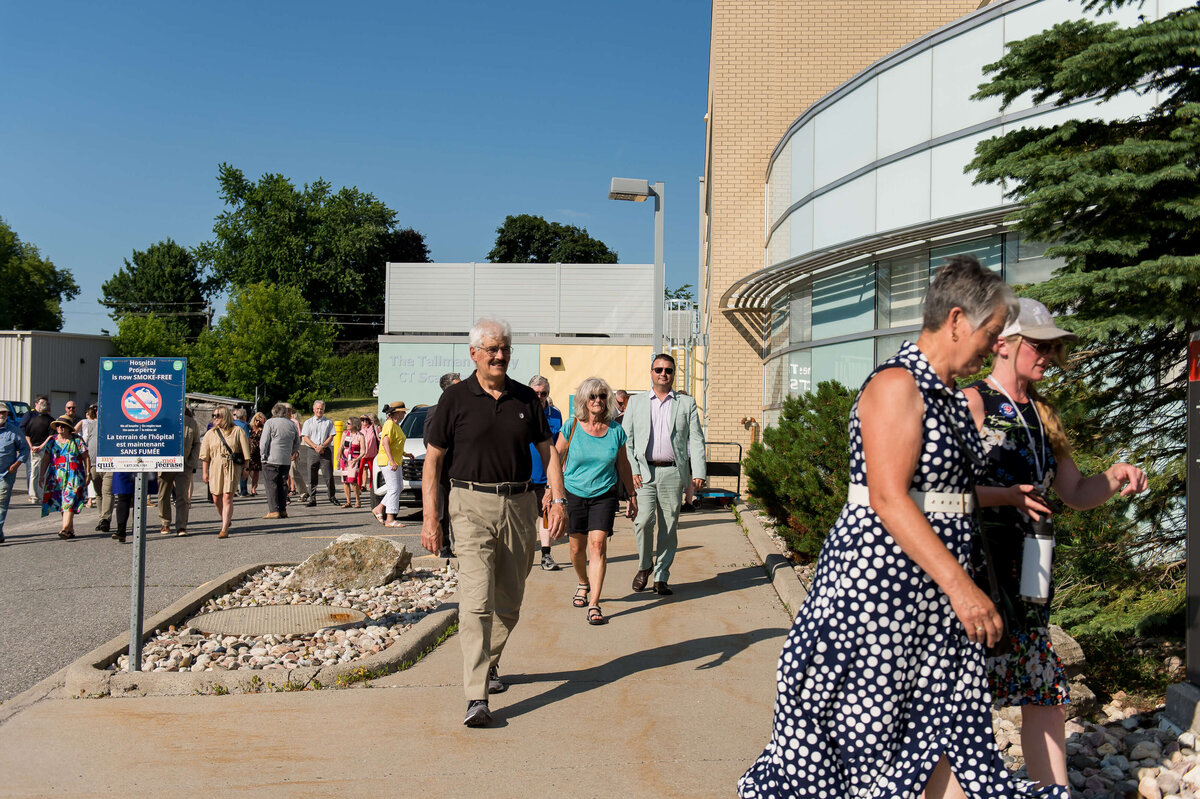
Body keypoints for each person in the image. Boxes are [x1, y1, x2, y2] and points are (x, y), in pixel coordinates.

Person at [739, 256, 1068, 799]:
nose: (992, 346)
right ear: (957, 320)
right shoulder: (897, 385)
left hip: (931, 599)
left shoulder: (950, 399)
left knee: (947, 736)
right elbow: (890, 500)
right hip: (880, 595)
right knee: (869, 742)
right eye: (990, 332)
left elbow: (946, 498)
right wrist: (964, 590)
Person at [962, 298, 1149, 789]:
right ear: (1003, 345)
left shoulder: (1045, 413)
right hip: (976, 581)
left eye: (1053, 346)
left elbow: (1074, 492)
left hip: (1030, 581)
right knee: (964, 704)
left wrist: (1114, 476)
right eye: (1038, 345)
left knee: (1044, 696)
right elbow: (934, 490)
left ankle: (1053, 792)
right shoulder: (973, 401)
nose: (1048, 355)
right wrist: (1006, 496)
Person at [421, 317, 567, 727]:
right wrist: (431, 518)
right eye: (492, 350)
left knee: (510, 599)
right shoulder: (454, 399)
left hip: (520, 505)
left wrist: (557, 500)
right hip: (469, 504)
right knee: (476, 599)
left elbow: (549, 451)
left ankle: (489, 661)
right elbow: (432, 460)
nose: (500, 355)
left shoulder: (525, 398)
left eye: (505, 349)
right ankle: (476, 697)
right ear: (474, 354)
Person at [622, 353, 707, 595]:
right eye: (658, 369)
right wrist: (632, 470)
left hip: (672, 473)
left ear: (673, 374)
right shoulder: (636, 402)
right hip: (644, 472)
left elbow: (696, 439)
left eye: (668, 370)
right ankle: (645, 565)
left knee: (669, 526)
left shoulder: (686, 403)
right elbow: (625, 441)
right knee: (643, 521)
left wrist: (698, 471)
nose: (663, 374)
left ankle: (661, 576)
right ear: (651, 372)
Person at [555, 377, 637, 625]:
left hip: (604, 494)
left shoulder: (615, 431)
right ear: (584, 400)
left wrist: (632, 496)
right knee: (576, 549)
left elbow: (623, 465)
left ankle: (594, 603)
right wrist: (552, 491)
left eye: (602, 396)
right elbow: (555, 458)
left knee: (598, 545)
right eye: (592, 396)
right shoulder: (571, 427)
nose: (597, 401)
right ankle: (583, 582)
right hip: (574, 493)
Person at [423, 373, 462, 558]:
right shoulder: (435, 411)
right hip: (443, 470)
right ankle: (444, 546)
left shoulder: (465, 409)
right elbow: (429, 443)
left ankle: (463, 546)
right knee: (442, 511)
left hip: (463, 470)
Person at [528, 375, 563, 571]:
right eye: (536, 393)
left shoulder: (555, 414)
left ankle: (546, 555)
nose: (540, 396)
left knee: (546, 516)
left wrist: (554, 481)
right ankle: (520, 557)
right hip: (523, 476)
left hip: (545, 477)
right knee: (523, 520)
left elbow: (559, 448)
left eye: (543, 393)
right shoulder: (521, 412)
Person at [199, 406, 251, 539]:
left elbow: (246, 453)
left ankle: (224, 529)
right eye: (213, 415)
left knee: (227, 497)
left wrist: (246, 469)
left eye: (218, 415)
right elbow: (205, 455)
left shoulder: (238, 431)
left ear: (225, 416)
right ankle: (225, 518)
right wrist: (205, 472)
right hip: (215, 467)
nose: (215, 418)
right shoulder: (210, 434)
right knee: (216, 497)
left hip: (231, 467)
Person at [39, 415, 90, 540]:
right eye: (58, 425)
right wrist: (41, 475)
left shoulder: (77, 440)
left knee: (69, 500)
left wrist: (88, 473)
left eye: (63, 426)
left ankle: (64, 528)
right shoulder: (52, 441)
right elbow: (45, 458)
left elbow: (86, 457)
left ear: (68, 428)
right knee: (62, 501)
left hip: (74, 475)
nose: (60, 427)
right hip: (56, 476)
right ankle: (70, 529)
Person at [157, 407, 202, 536]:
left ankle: (181, 526)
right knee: (163, 495)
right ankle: (165, 523)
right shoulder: (162, 421)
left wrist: (191, 462)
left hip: (184, 464)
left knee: (182, 496)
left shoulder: (191, 423)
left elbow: (196, 443)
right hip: (165, 464)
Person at [259, 402, 300, 519]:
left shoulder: (270, 423)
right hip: (285, 459)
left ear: (273, 412)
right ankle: (282, 509)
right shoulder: (291, 424)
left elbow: (264, 442)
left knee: (271, 485)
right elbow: (297, 442)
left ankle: (273, 510)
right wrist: (290, 452)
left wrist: (263, 456)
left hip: (271, 458)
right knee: (283, 484)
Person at [372, 401, 408, 528]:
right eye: (403, 411)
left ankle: (379, 508)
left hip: (395, 461)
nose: (404, 413)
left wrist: (405, 454)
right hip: (388, 461)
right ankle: (390, 518)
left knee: (399, 487)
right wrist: (392, 460)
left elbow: (395, 444)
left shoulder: (396, 425)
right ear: (397, 413)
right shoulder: (389, 424)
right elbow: (386, 442)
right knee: (393, 488)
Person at [0, 405, 31, 544]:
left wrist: (17, 464)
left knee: (1, 502)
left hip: (6, 473)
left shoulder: (13, 431)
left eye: (4, 412)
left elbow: (25, 449)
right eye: (0, 412)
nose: (2, 414)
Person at [301, 400, 337, 507]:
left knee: (329, 475)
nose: (319, 411)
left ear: (324, 409)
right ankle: (312, 499)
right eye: (317, 409)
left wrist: (322, 446)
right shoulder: (308, 422)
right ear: (313, 409)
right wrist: (315, 447)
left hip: (325, 450)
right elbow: (305, 437)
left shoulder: (328, 422)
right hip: (312, 451)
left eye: (321, 409)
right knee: (311, 476)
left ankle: (332, 496)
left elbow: (331, 436)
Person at [22, 396, 52, 504]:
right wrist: (31, 446)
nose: (44, 404)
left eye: (45, 402)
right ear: (37, 404)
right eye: (42, 402)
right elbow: (27, 434)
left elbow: (50, 435)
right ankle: (35, 496)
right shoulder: (32, 418)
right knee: (36, 473)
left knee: (39, 473)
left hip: (42, 449)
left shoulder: (50, 420)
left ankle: (38, 495)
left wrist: (41, 446)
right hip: (36, 449)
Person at [338, 417, 366, 508]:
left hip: (354, 460)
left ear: (354, 425)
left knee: (353, 481)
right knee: (346, 481)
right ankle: (348, 501)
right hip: (345, 460)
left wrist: (357, 459)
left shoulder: (360, 436)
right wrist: (339, 455)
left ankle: (358, 500)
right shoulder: (345, 433)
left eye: (348, 423)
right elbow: (341, 445)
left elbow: (363, 451)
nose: (346, 425)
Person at [74, 405, 98, 507]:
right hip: (94, 450)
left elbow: (73, 431)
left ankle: (85, 498)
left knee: (84, 473)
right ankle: (91, 499)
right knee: (91, 473)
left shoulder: (84, 422)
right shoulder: (97, 423)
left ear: (87, 414)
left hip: (83, 449)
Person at [288, 406, 308, 501]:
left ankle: (303, 492)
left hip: (292, 450)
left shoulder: (294, 423)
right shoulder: (279, 421)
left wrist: (295, 451)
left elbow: (299, 438)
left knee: (293, 471)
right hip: (282, 451)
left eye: (289, 411)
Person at [110, 471, 135, 544]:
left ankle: (137, 530)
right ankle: (121, 531)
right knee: (123, 497)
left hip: (141, 466)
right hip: (122, 467)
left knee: (138, 499)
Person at [233, 408, 252, 496]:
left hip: (232, 449)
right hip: (242, 450)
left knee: (233, 471)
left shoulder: (231, 424)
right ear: (244, 416)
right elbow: (247, 439)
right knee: (243, 470)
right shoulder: (245, 425)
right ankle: (243, 491)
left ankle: (233, 490)